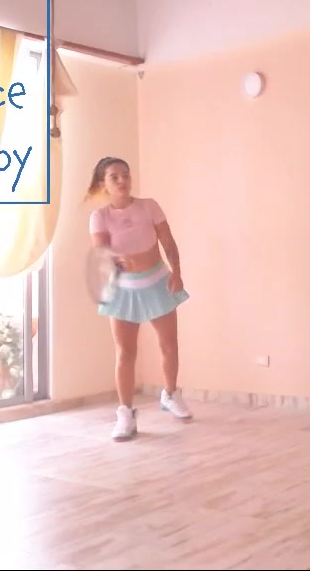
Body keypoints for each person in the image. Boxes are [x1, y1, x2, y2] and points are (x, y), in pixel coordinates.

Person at [85, 156, 192, 441]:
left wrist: (177, 272)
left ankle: (171, 394)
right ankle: (126, 414)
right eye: (114, 177)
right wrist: (113, 262)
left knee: (169, 345)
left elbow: (167, 242)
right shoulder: (99, 217)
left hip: (158, 282)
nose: (122, 180)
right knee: (125, 352)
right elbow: (101, 254)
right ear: (103, 183)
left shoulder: (149, 206)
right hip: (123, 289)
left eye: (125, 174)